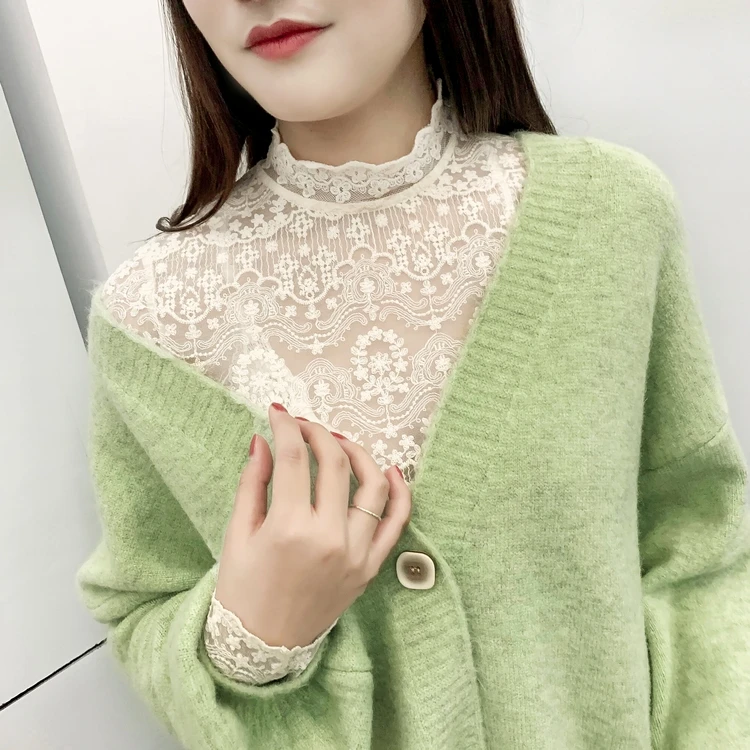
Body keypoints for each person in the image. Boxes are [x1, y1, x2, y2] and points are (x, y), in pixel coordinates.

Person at [75, 0, 750, 748]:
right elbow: (143, 607)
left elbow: (699, 551)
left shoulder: (610, 214)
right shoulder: (151, 320)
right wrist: (251, 640)